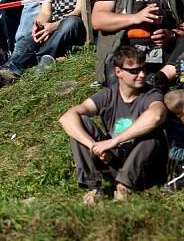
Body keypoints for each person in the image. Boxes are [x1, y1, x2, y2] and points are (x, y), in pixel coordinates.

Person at [59, 45, 167, 204]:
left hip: (144, 168)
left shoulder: (151, 93)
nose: (142, 75)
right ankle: (94, 189)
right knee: (81, 122)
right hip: (113, 161)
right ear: (118, 72)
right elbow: (66, 118)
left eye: (143, 68)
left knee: (153, 133)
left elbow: (156, 116)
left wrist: (113, 141)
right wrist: (94, 146)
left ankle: (125, 187)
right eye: (134, 71)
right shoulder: (108, 95)